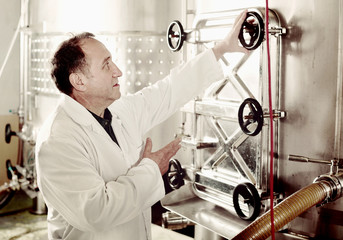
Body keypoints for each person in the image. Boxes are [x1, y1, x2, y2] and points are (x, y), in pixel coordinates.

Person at [35, 10, 248, 240]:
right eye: (106, 65)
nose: (119, 71)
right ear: (79, 81)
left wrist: (222, 49)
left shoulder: (117, 111)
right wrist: (151, 169)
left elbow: (169, 91)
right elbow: (97, 212)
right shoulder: (57, 140)